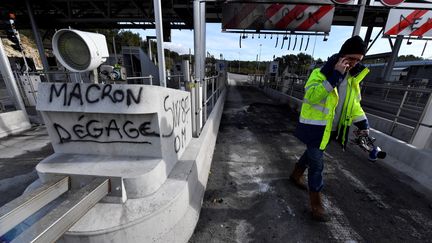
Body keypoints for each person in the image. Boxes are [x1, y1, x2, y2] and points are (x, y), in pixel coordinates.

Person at [290, 35, 370, 222]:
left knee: (311, 154)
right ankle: (316, 205)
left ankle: (295, 175)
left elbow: (354, 105)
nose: (354, 63)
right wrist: (334, 76)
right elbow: (311, 96)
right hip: (314, 128)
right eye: (351, 59)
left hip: (331, 129)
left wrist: (363, 124)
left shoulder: (353, 81)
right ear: (342, 55)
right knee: (317, 165)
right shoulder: (320, 73)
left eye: (359, 60)